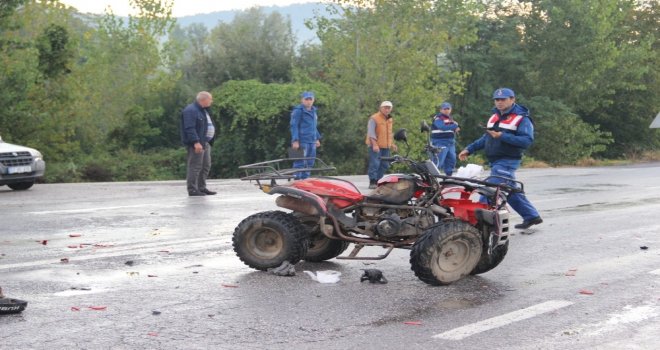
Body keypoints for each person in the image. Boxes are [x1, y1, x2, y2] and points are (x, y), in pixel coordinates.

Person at [458, 88, 542, 229]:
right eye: (497, 99)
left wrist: (502, 136)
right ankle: (531, 216)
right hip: (495, 160)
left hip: (508, 160)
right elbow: (486, 137)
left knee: (491, 188)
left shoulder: (522, 118)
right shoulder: (494, 116)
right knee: (509, 190)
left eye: (503, 99)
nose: (499, 102)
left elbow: (527, 141)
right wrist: (469, 149)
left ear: (512, 99)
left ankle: (480, 221)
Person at [180, 91, 216, 196]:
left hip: (205, 142)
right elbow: (189, 128)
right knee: (195, 166)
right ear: (203, 100)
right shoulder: (191, 110)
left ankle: (201, 187)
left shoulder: (203, 110)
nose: (212, 101)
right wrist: (196, 142)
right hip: (197, 144)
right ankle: (192, 189)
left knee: (205, 165)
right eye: (210, 99)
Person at [366, 101, 398, 189]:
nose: (387, 109)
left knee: (385, 165)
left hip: (386, 146)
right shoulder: (374, 118)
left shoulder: (389, 119)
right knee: (375, 164)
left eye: (389, 108)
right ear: (381, 108)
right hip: (376, 146)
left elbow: (389, 133)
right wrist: (374, 144)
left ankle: (377, 180)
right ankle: (372, 181)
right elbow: (371, 132)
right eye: (385, 107)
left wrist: (392, 144)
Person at [290, 91, 321, 180]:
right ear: (302, 100)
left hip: (311, 141)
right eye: (306, 99)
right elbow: (293, 126)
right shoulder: (297, 111)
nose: (308, 101)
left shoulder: (314, 111)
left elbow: (313, 126)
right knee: (299, 162)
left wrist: (317, 138)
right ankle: (296, 181)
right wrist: (295, 140)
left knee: (310, 163)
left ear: (313, 100)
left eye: (310, 99)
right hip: (301, 141)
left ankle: (305, 181)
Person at [430, 102, 460, 176]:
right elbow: (442, 127)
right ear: (441, 110)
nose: (446, 110)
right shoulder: (438, 118)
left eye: (448, 109)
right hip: (440, 143)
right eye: (444, 109)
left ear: (451, 110)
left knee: (451, 161)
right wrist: (454, 126)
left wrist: (456, 127)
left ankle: (449, 177)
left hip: (450, 143)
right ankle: (432, 178)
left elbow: (456, 127)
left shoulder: (450, 119)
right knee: (438, 162)